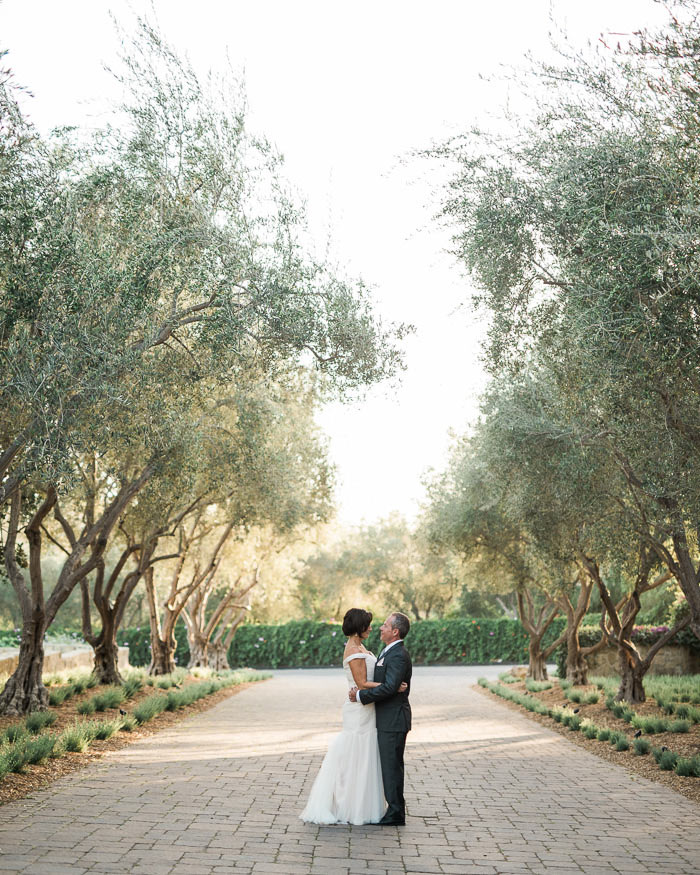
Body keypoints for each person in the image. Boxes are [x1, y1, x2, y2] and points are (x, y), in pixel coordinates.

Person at [300, 608, 407, 825]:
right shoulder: (352, 650)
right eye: (368, 624)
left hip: (367, 707)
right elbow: (361, 683)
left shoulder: (361, 647)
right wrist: (391, 687)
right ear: (359, 627)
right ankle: (349, 805)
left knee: (365, 756)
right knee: (354, 756)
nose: (372, 628)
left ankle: (363, 804)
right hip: (359, 709)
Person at [349, 612, 412, 826]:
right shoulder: (389, 651)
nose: (380, 628)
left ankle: (396, 813)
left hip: (394, 720)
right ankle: (393, 810)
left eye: (385, 625)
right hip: (386, 718)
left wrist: (360, 695)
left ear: (395, 632)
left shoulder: (398, 655)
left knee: (392, 767)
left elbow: (390, 688)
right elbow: (389, 685)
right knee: (389, 766)